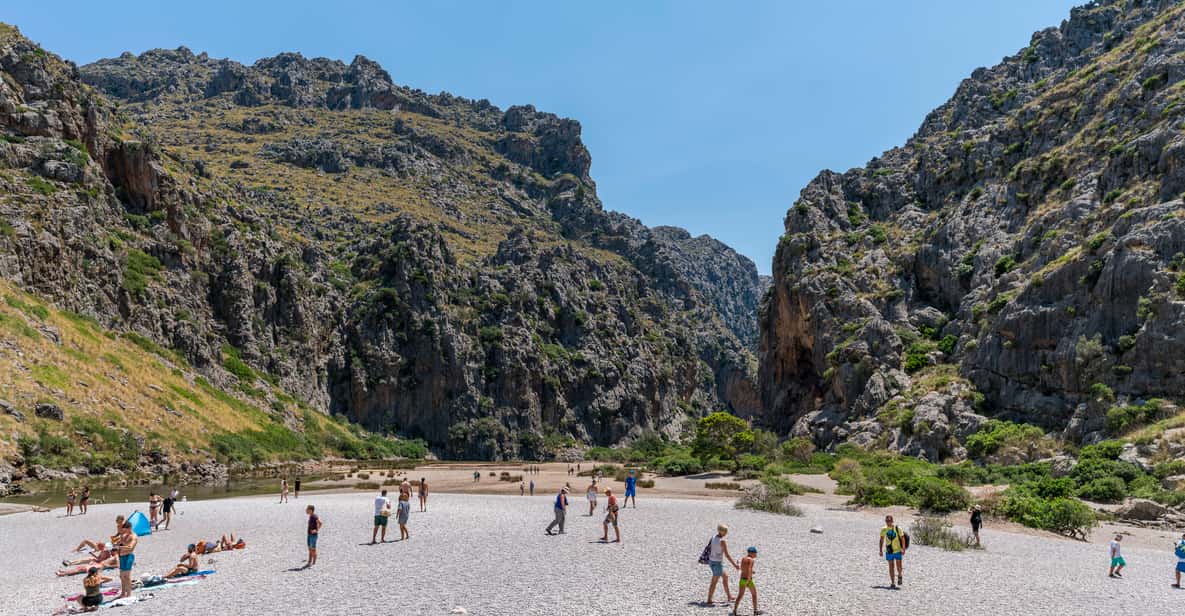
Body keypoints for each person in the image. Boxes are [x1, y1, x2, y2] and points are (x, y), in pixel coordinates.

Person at [705, 524, 738, 605]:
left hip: (711, 561)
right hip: (717, 563)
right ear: (722, 531)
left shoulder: (713, 537)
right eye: (725, 531)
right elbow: (727, 555)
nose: (726, 532)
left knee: (725, 577)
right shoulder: (722, 541)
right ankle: (709, 599)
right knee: (714, 582)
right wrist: (735, 565)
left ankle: (729, 596)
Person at [879, 515, 906, 589]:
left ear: (892, 521)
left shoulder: (898, 528)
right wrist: (880, 550)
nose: (888, 522)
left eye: (889, 521)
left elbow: (903, 539)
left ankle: (900, 575)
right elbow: (881, 540)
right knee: (891, 567)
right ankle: (893, 582)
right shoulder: (884, 529)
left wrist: (903, 549)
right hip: (889, 551)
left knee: (899, 566)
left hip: (897, 550)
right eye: (887, 521)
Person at [731, 547, 760, 616]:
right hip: (748, 580)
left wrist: (751, 572)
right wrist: (749, 579)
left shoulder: (743, 559)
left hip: (742, 579)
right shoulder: (751, 560)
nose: (756, 555)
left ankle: (734, 610)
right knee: (754, 594)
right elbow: (749, 569)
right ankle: (755, 611)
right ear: (752, 553)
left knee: (740, 595)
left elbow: (743, 568)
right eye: (755, 553)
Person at [114, 522, 137, 599]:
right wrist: (114, 544)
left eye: (126, 530)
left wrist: (119, 547)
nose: (125, 532)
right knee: (121, 576)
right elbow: (118, 543)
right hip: (121, 556)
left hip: (128, 556)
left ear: (130, 528)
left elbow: (130, 547)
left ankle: (129, 594)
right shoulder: (124, 535)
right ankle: (123, 593)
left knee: (127, 576)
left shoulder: (134, 536)